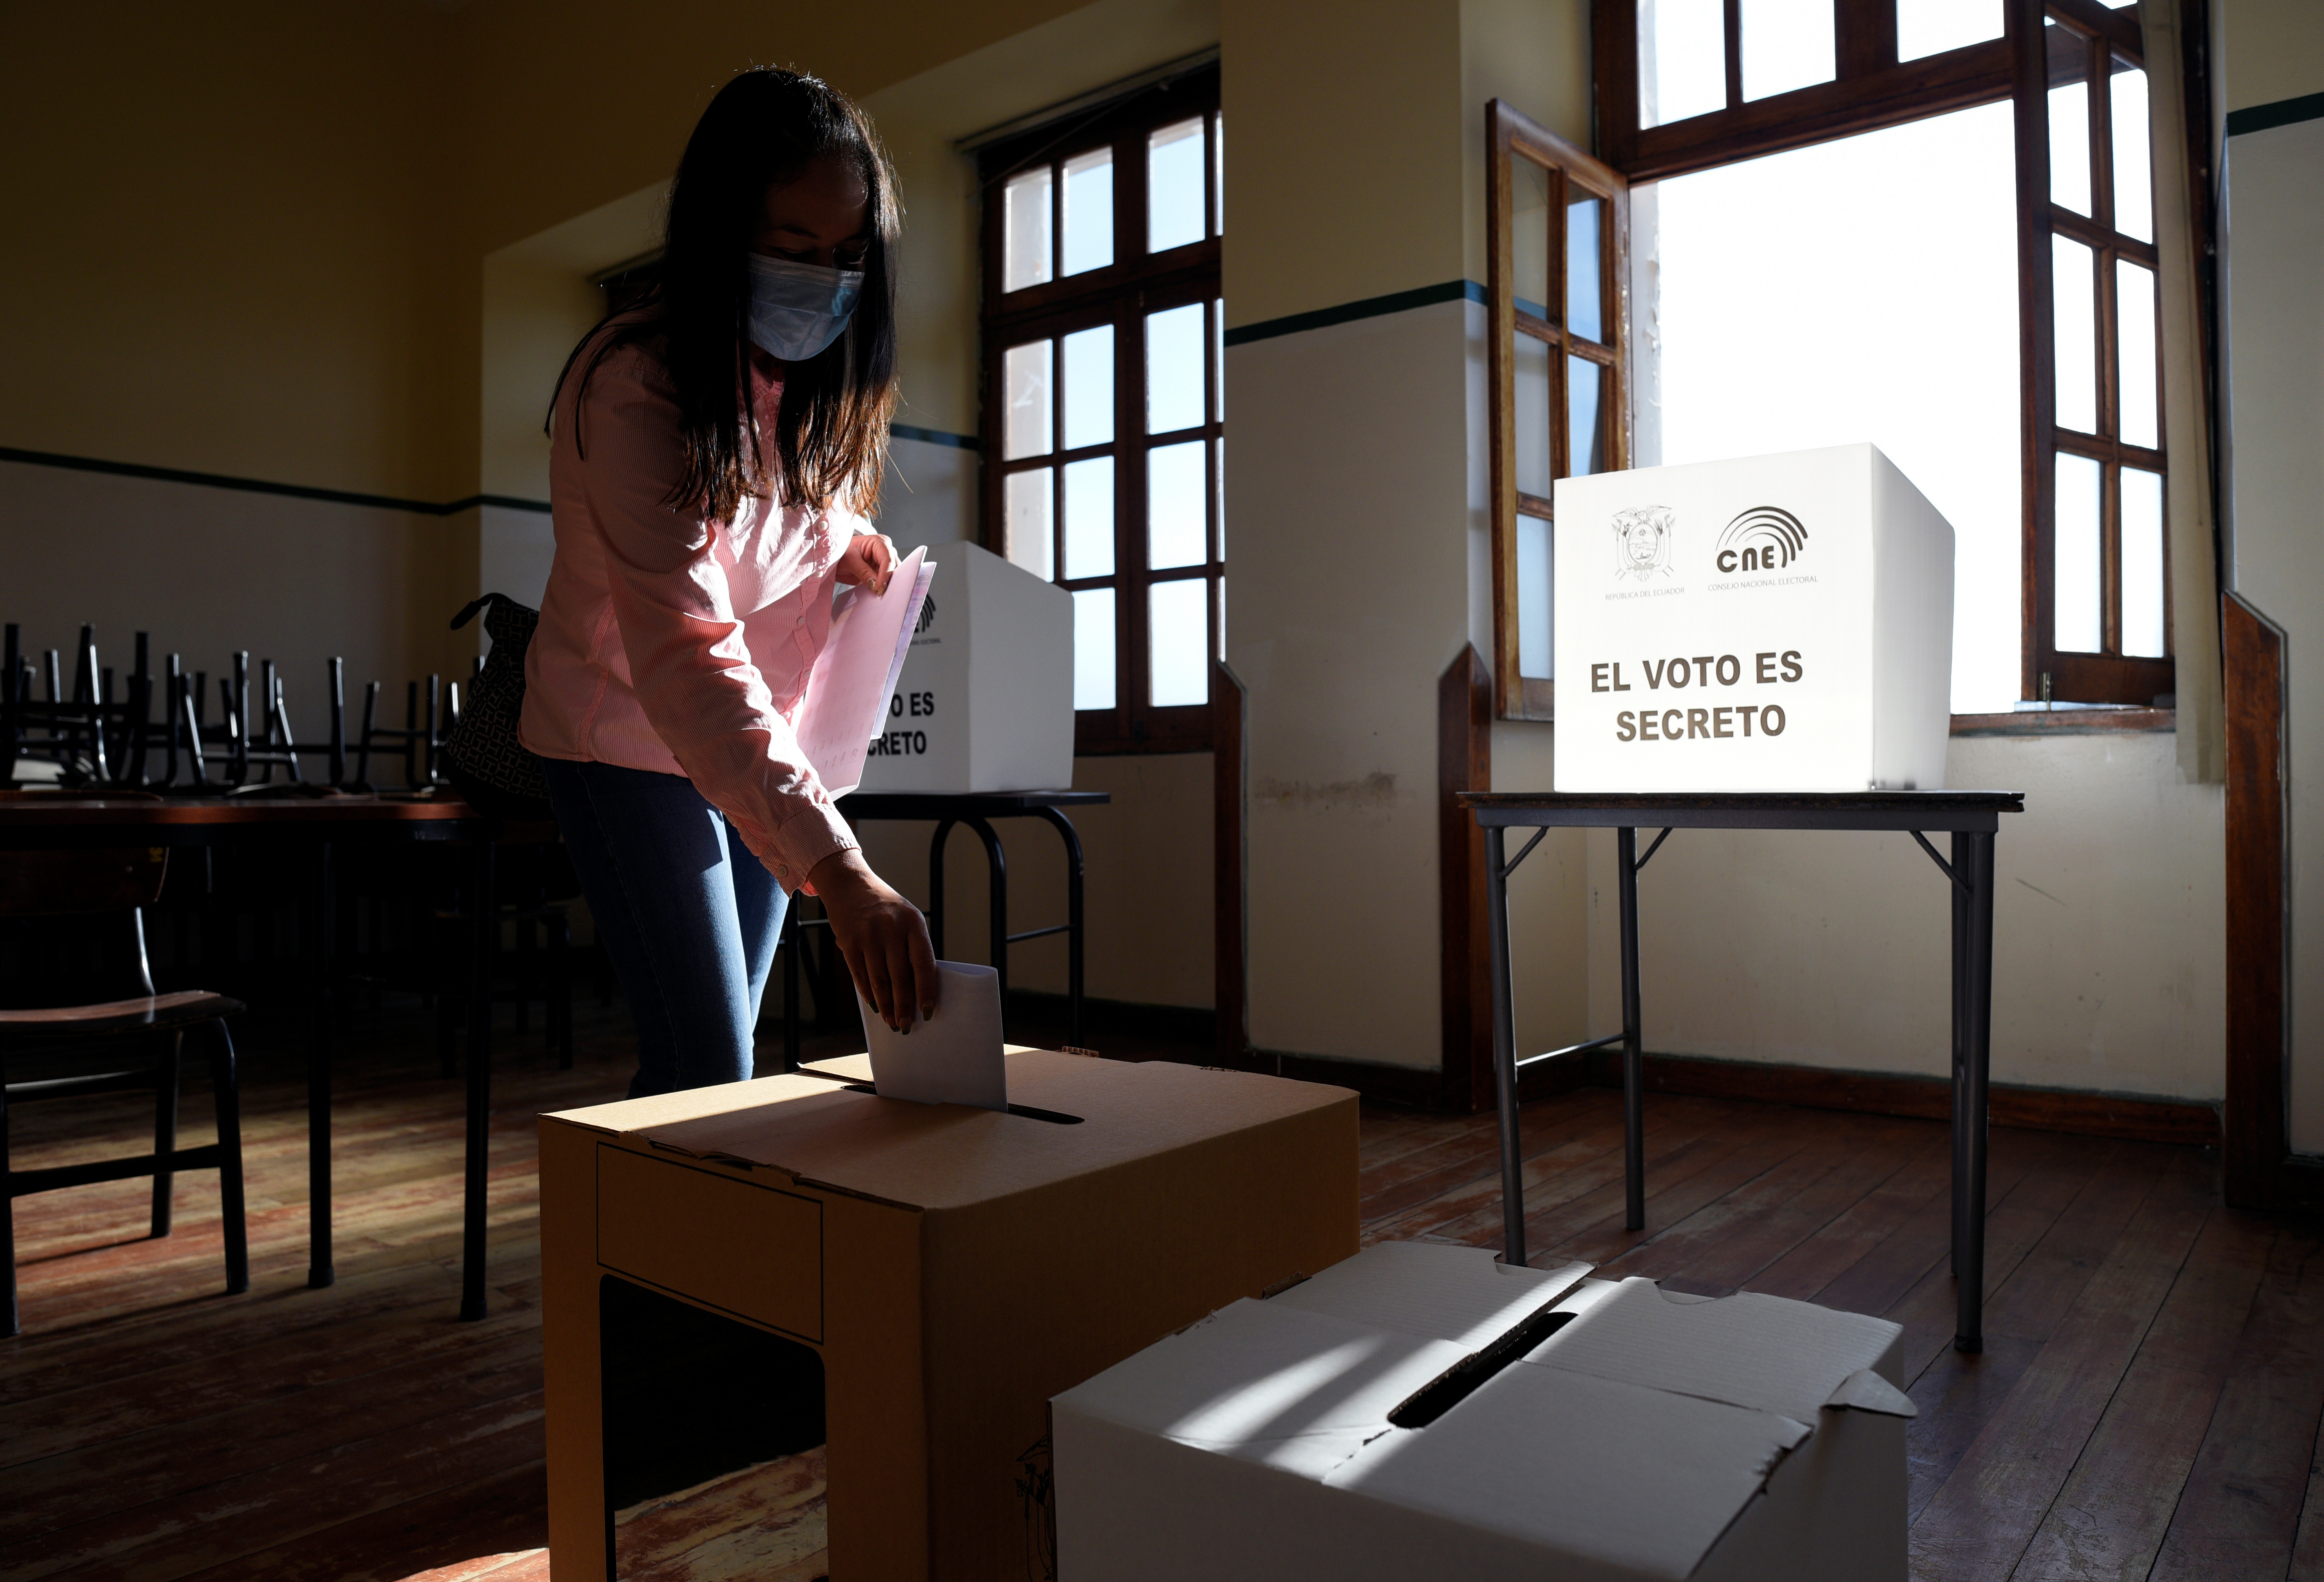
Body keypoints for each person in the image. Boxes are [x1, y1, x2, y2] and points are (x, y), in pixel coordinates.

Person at [520, 67, 938, 1097]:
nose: (825, 281)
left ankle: (690, 1254)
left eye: (848, 257)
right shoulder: (637, 386)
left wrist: (850, 540)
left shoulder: (805, 394)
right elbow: (687, 648)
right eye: (794, 250)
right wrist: (840, 870)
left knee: (723, 1057)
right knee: (706, 1057)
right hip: (619, 735)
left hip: (753, 738)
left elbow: (790, 515)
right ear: (720, 234)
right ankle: (631, 1257)